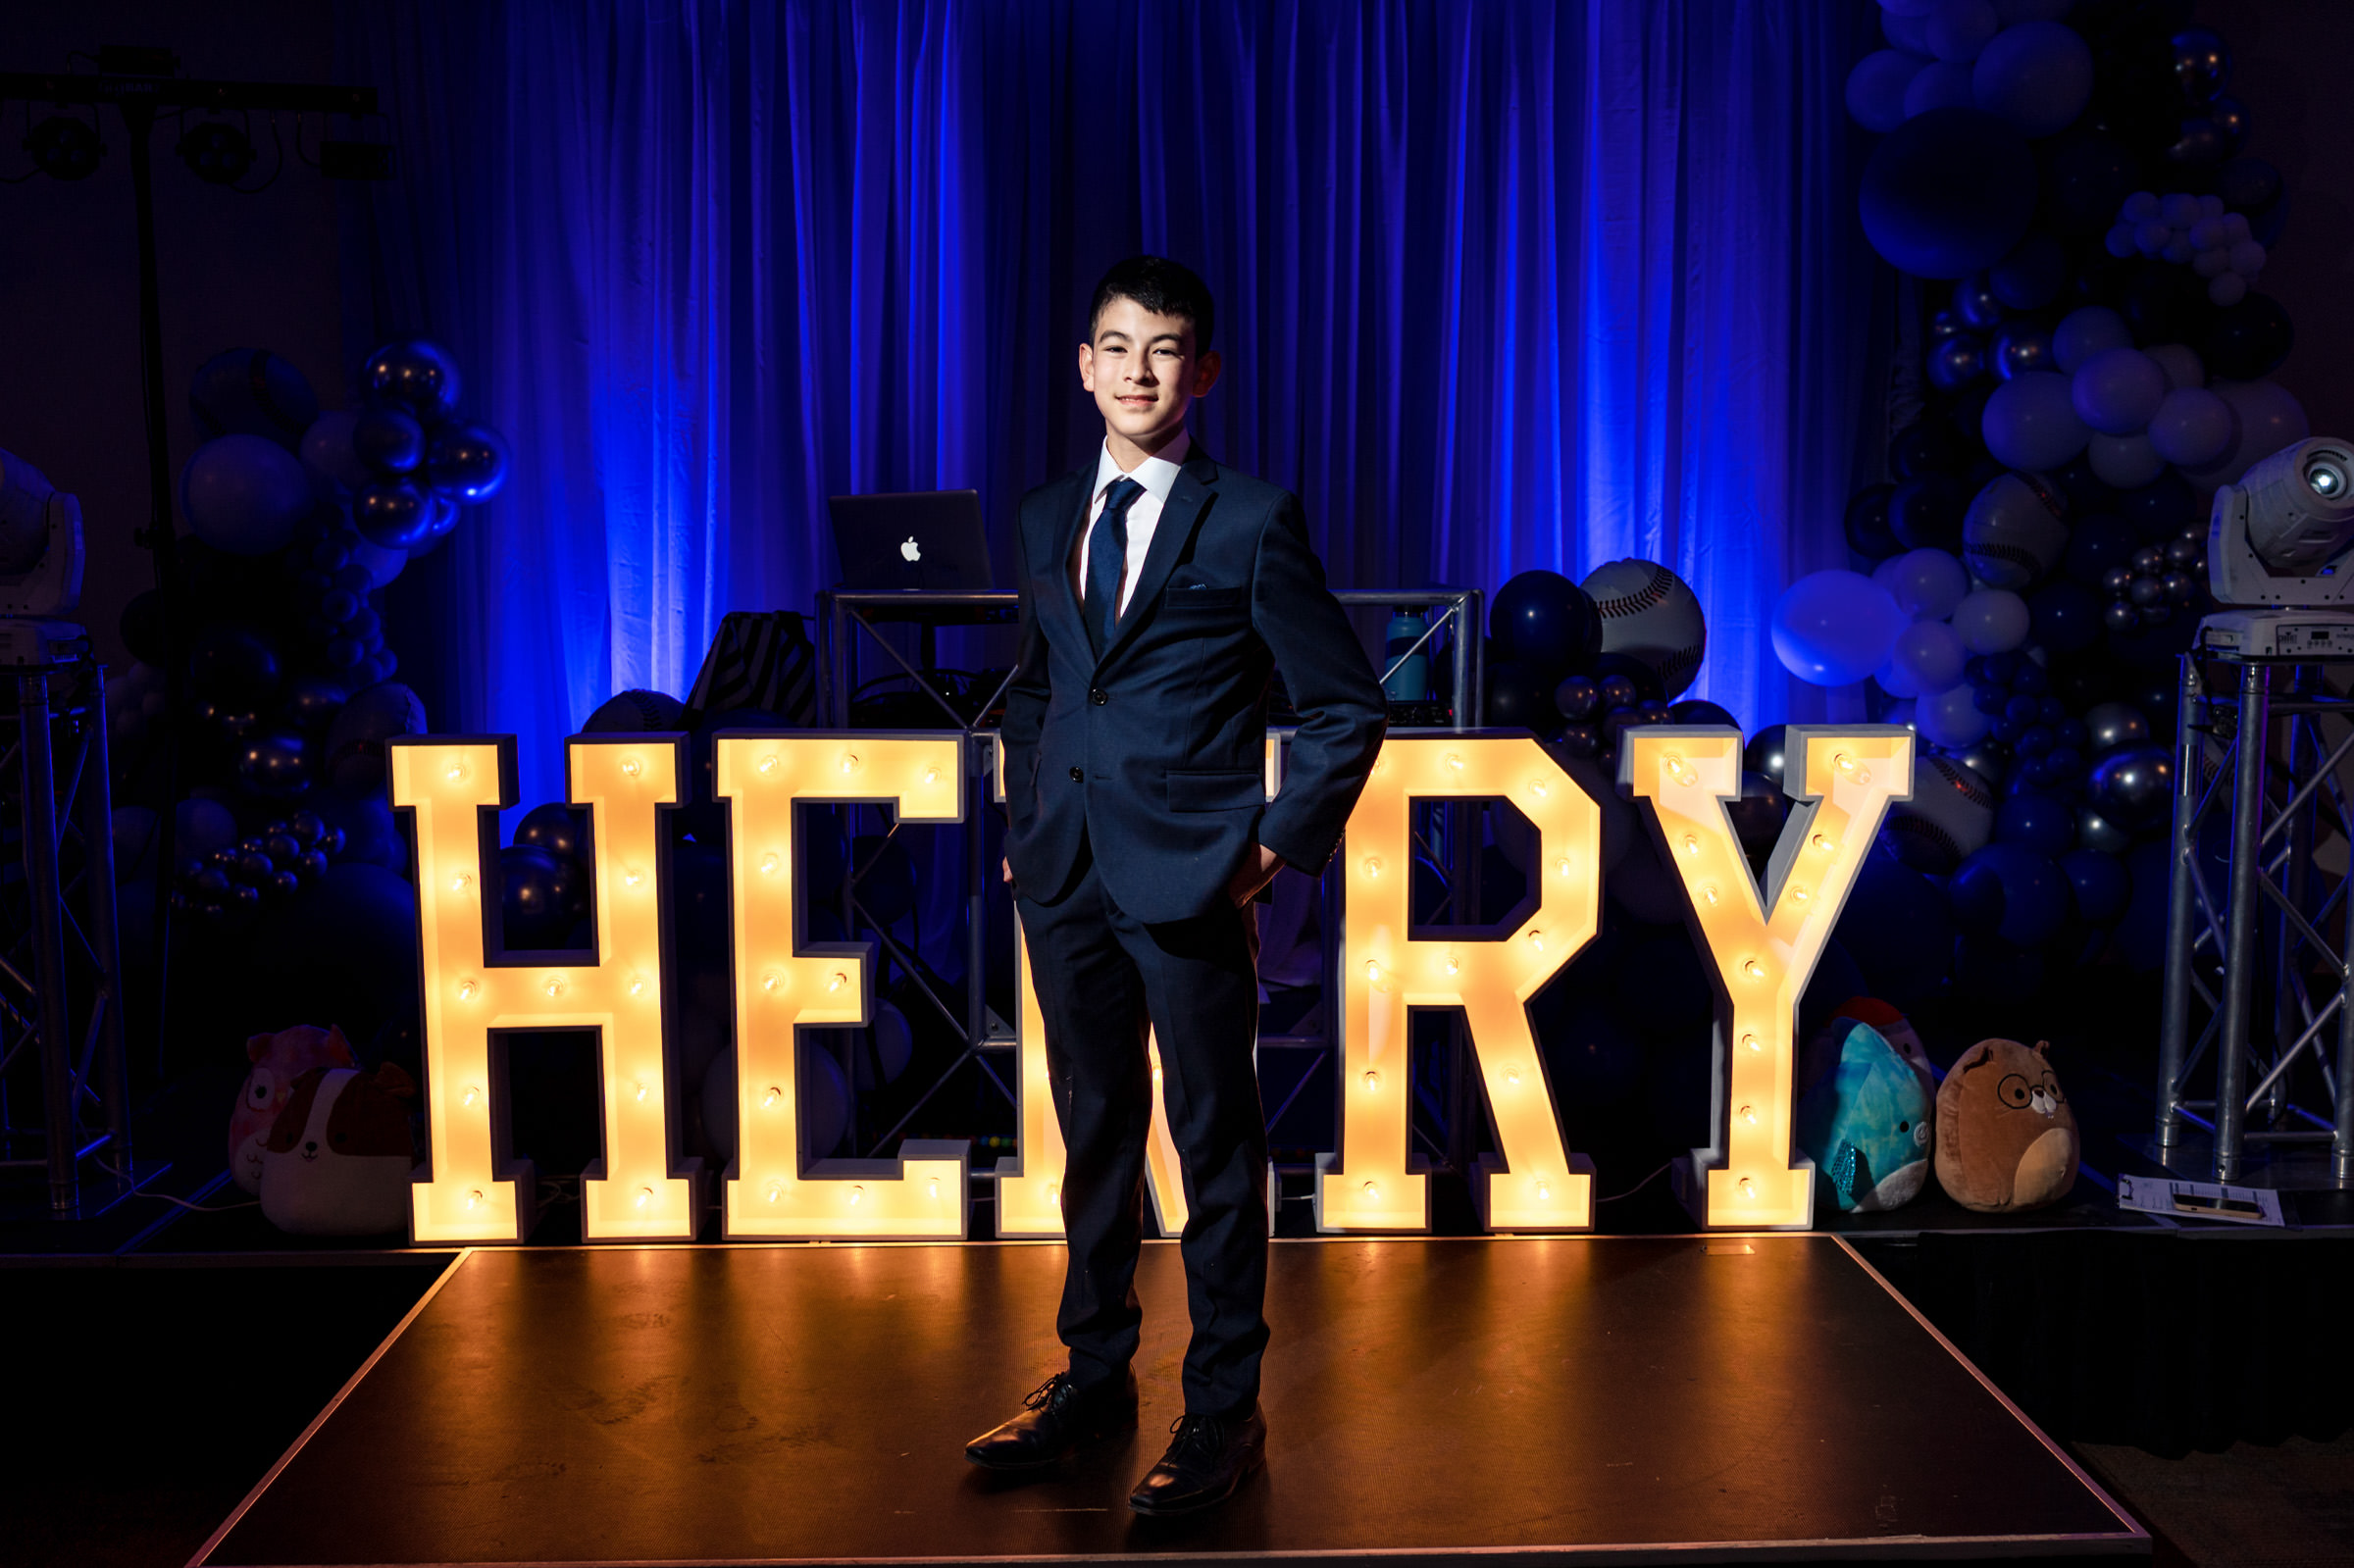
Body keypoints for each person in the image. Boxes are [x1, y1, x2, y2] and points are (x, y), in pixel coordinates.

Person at [967, 256, 1385, 1514]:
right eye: (1116, 346)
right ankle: (1092, 1378)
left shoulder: (1250, 516)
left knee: (1212, 1143)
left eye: (1166, 350)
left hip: (1195, 879)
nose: (1139, 371)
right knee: (1092, 1133)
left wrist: (1273, 845)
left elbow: (1342, 704)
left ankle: (1220, 1416)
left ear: (1200, 372)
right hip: (1066, 876)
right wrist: (1027, 809)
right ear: (1083, 364)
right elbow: (1042, 684)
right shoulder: (1047, 516)